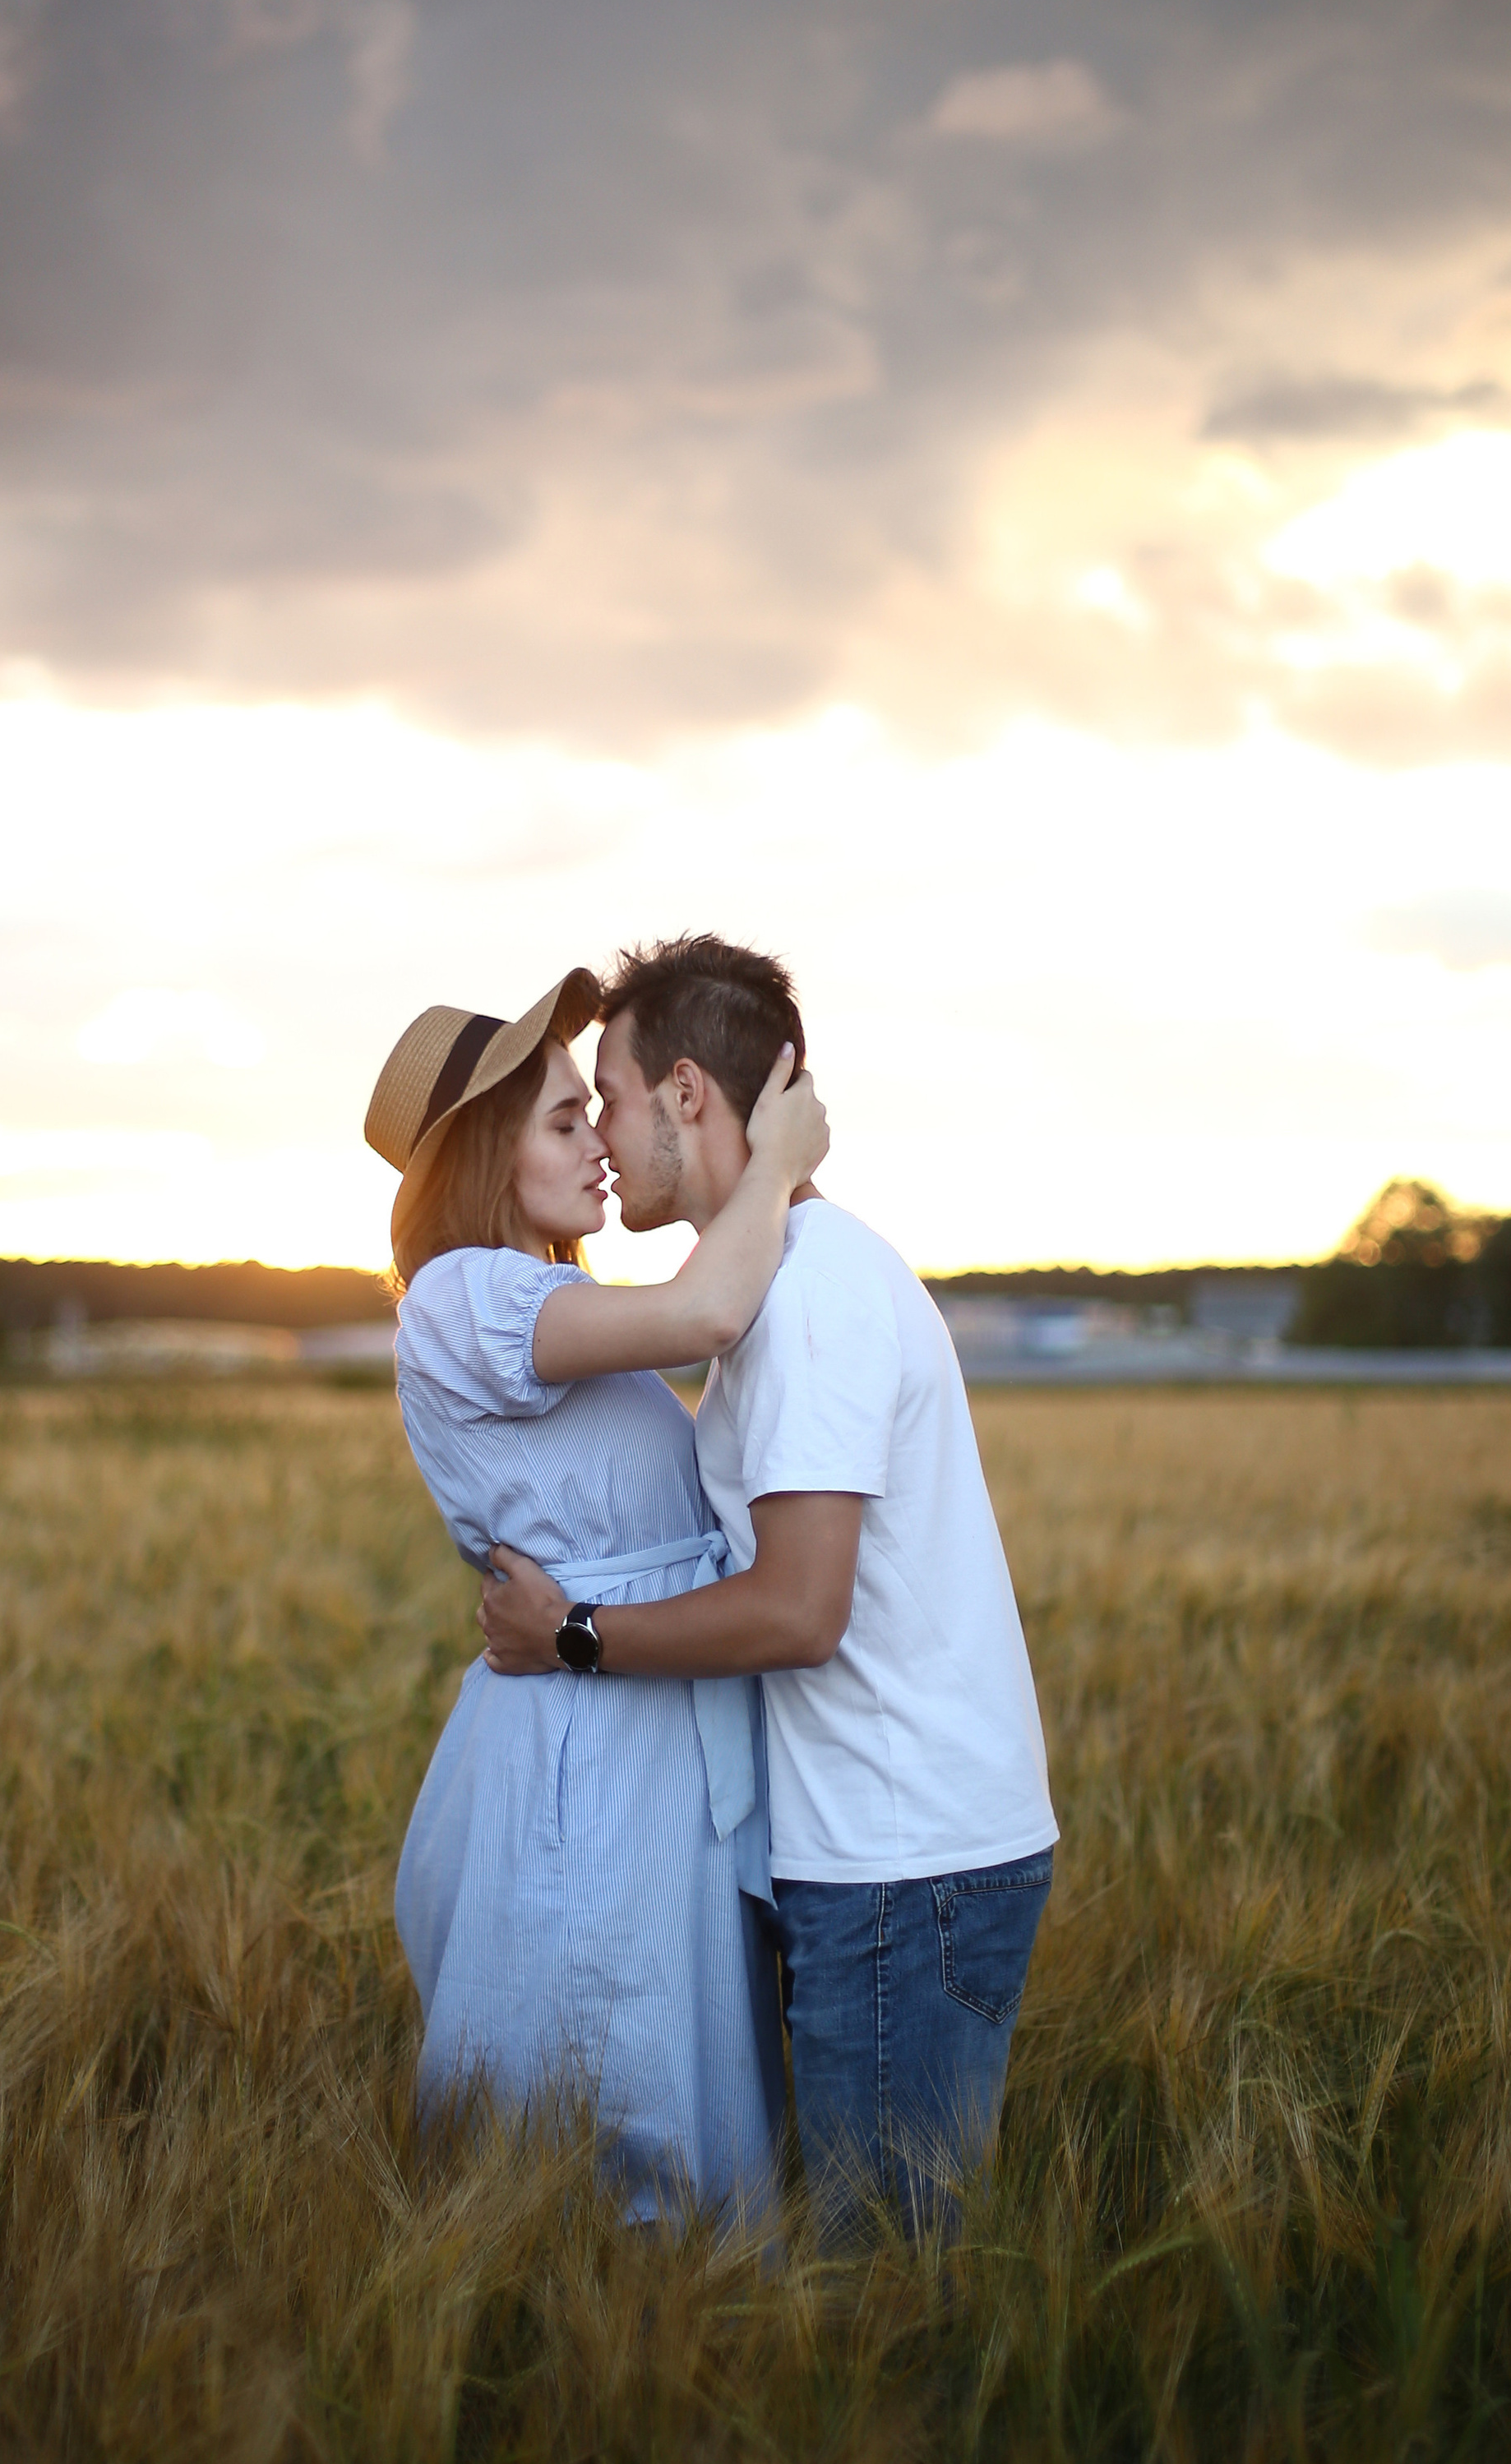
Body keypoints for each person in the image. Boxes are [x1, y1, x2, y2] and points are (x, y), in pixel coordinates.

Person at [478, 934, 1057, 2236]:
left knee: (885, 2291)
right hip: (883, 1853)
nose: (605, 1136)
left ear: (688, 1093)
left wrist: (572, 1635)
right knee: (879, 2269)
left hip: (904, 1869)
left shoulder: (812, 1304)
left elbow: (800, 1611)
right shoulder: (777, 1288)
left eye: (611, 1098)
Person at [365, 965, 829, 2222]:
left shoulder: (548, 1300)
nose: (599, 1147)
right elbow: (710, 1308)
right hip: (588, 1749)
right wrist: (777, 1161)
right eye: (565, 1122)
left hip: (637, 1721)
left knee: (663, 2065)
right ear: (480, 1157)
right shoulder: (469, 1295)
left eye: (591, 1111)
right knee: (611, 2086)